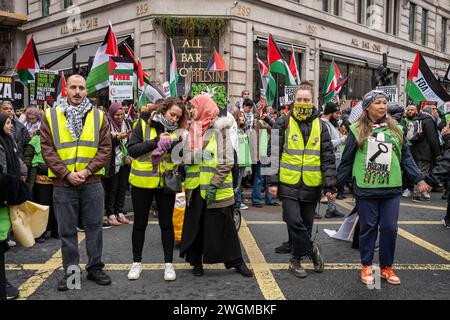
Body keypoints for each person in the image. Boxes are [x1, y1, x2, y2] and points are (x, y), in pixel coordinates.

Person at [338, 90, 428, 286]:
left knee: (389, 228)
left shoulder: (397, 129)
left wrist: (418, 179)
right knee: (368, 227)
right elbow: (346, 159)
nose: (382, 106)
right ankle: (367, 265)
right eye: (378, 102)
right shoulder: (356, 129)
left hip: (391, 187)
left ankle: (386, 267)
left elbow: (406, 157)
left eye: (385, 102)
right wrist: (334, 185)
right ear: (368, 106)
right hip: (366, 187)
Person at [40, 74, 112, 291]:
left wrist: (88, 170)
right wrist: (66, 174)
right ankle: (71, 273)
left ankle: (95, 268)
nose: (78, 92)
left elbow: (105, 148)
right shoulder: (50, 115)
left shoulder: (99, 116)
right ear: (66, 90)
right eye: (73, 87)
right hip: (63, 184)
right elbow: (47, 149)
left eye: (81, 87)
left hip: (92, 181)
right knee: (67, 231)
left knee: (94, 228)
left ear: (86, 90)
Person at [267, 81, 336, 278]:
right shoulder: (283, 122)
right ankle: (312, 249)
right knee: (292, 219)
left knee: (306, 224)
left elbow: (328, 157)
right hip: (288, 182)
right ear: (294, 100)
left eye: (306, 99)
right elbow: (271, 152)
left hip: (312, 184)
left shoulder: (321, 125)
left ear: (312, 101)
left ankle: (295, 261)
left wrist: (330, 184)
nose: (303, 102)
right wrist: (273, 182)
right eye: (299, 99)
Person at [180, 95, 253, 278]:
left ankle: (237, 261)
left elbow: (227, 162)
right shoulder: (192, 128)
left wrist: (213, 185)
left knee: (225, 228)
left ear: (205, 107)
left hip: (216, 189)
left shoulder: (221, 130)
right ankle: (196, 262)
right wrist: (200, 156)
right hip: (195, 189)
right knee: (196, 227)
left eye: (194, 107)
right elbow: (184, 158)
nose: (192, 111)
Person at [126, 98, 187, 281]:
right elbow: (132, 150)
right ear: (163, 110)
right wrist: (156, 141)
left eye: (178, 116)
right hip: (142, 183)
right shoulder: (143, 123)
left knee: (166, 224)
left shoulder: (178, 131)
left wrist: (176, 145)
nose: (175, 119)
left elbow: (181, 157)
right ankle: (136, 263)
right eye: (172, 114)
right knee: (140, 224)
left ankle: (169, 264)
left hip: (165, 184)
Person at [0, 114, 30, 300]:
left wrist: (22, 173)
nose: (11, 125)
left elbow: (16, 162)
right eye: (8, 122)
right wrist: (17, 186)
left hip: (6, 199)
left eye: (11, 122)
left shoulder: (7, 140)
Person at [23, 129, 58, 242]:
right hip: (40, 180)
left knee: (56, 206)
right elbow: (28, 158)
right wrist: (25, 174)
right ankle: (40, 232)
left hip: (57, 178)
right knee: (41, 206)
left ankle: (55, 230)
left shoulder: (59, 140)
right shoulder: (34, 140)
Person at [405, 101, 442, 202]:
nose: (436, 111)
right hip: (425, 152)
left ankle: (421, 193)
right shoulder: (428, 120)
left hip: (415, 150)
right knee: (423, 172)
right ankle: (418, 194)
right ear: (431, 111)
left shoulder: (416, 119)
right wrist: (438, 153)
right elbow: (433, 138)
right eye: (434, 109)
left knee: (418, 171)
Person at [102, 102, 132, 227]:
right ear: (111, 114)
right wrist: (117, 138)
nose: (119, 117)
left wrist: (130, 154)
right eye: (117, 115)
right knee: (112, 188)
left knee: (122, 187)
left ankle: (120, 212)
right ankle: (111, 214)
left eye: (121, 114)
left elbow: (131, 141)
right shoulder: (107, 124)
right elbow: (105, 143)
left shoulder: (128, 123)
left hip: (125, 161)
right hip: (113, 161)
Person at [321, 101, 346, 218]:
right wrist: (342, 139)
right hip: (329, 159)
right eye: (336, 113)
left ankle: (331, 208)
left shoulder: (331, 124)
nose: (338, 116)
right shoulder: (324, 124)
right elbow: (328, 143)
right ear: (330, 113)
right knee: (323, 184)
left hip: (334, 158)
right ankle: (316, 210)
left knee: (331, 185)